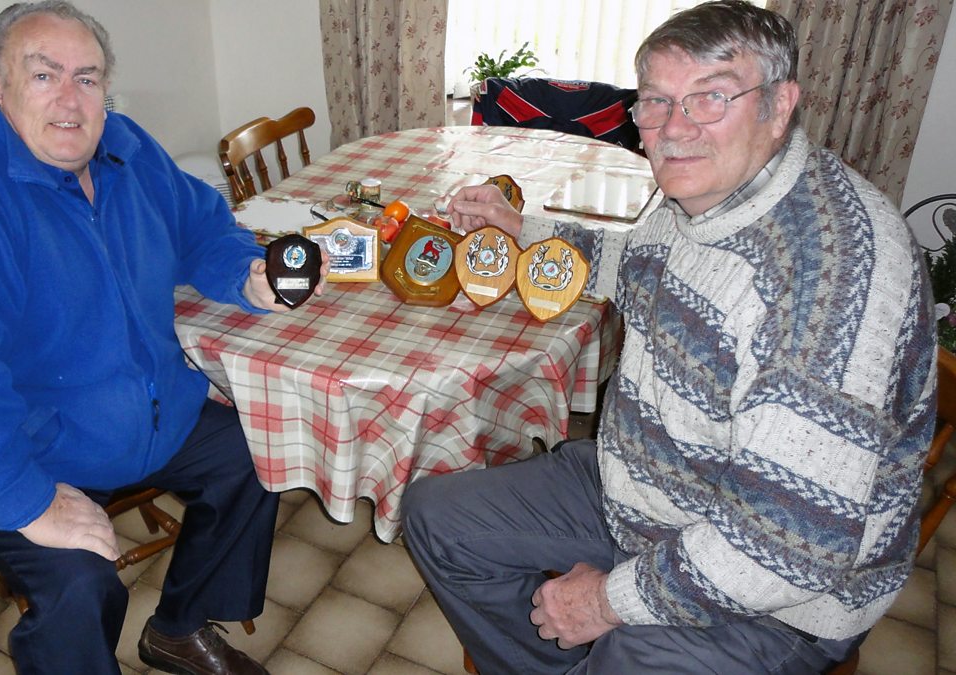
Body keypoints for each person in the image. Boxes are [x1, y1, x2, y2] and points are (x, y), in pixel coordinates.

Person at [401, 2, 938, 673]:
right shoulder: (705, 193)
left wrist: (609, 600)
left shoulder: (831, 276)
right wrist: (525, 233)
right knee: (436, 516)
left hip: (783, 598)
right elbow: (640, 264)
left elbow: (789, 545)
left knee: (626, 652)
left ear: (779, 106)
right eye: (656, 101)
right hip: (645, 488)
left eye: (711, 97)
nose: (675, 129)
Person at [0, 3, 325, 674]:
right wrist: (28, 501)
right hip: (13, 444)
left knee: (258, 451)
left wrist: (244, 274)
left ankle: (179, 628)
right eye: (44, 75)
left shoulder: (125, 145)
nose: (70, 99)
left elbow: (201, 226)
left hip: (137, 412)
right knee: (80, 584)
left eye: (86, 78)